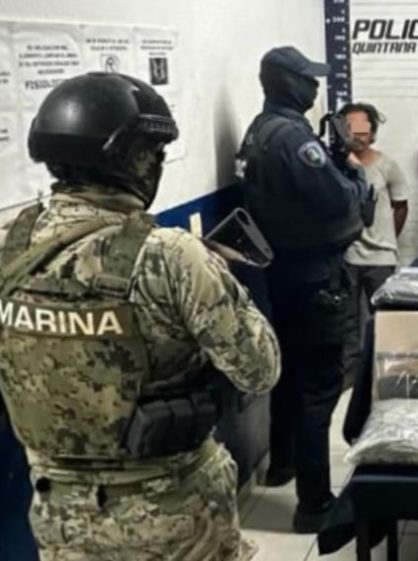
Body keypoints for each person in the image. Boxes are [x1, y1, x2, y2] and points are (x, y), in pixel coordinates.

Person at [0, 72, 280, 560]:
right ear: (133, 159)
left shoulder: (10, 247)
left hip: (59, 516)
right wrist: (225, 282)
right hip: (173, 515)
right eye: (155, 153)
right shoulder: (170, 256)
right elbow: (260, 369)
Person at [238, 46, 371, 533]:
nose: (315, 88)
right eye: (308, 80)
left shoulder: (260, 129)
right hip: (316, 277)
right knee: (319, 388)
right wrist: (353, 174)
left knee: (290, 375)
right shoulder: (293, 136)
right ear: (286, 82)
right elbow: (339, 200)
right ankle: (314, 504)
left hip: (284, 273)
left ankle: (283, 463)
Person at [339, 101, 408, 391]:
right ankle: (349, 377)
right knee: (348, 322)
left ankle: (387, 375)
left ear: (373, 132)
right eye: (349, 128)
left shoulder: (387, 165)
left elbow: (401, 205)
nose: (357, 135)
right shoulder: (335, 166)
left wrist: (386, 237)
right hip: (347, 257)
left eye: (363, 129)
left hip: (381, 258)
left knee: (384, 319)